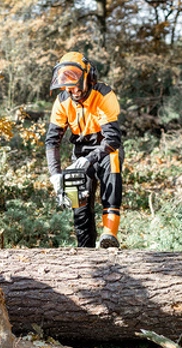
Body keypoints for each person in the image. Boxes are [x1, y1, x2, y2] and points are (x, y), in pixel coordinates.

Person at [45, 51, 124, 248]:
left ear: (88, 78)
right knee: (76, 197)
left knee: (112, 165)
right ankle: (85, 248)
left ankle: (109, 236)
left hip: (105, 148)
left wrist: (91, 158)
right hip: (80, 151)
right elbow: (52, 141)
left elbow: (113, 138)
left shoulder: (104, 95)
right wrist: (55, 174)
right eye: (69, 87)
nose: (75, 91)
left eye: (77, 85)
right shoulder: (62, 101)